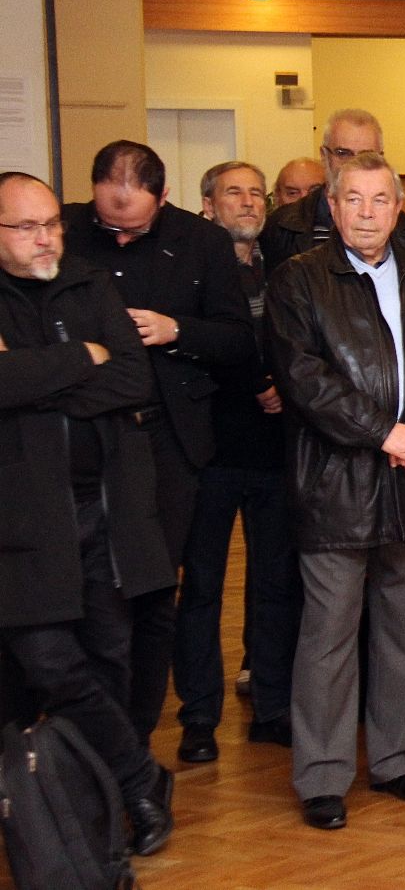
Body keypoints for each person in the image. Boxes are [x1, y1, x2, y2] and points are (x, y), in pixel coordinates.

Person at [265, 151, 405, 830]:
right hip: (336, 485)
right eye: (353, 199)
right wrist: (383, 432)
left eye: (379, 200)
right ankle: (323, 776)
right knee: (327, 638)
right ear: (332, 207)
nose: (366, 213)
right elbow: (303, 379)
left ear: (398, 209)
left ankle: (398, 761)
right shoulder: (298, 280)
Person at [0, 171, 176, 856]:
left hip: (105, 510)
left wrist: (34, 378)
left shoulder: (89, 284)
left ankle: (94, 808)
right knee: (50, 664)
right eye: (27, 227)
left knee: (110, 660)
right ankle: (139, 779)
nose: (46, 238)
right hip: (22, 522)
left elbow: (133, 377)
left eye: (52, 223)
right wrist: (81, 356)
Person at [61, 140, 254, 748]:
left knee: (158, 590)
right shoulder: (62, 230)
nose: (120, 235)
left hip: (170, 438)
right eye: (109, 223)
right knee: (88, 594)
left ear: (164, 197)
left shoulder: (202, 243)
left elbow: (237, 340)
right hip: (83, 440)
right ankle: (85, 735)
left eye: (135, 226)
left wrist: (177, 331)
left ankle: (148, 733)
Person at [173, 161, 301, 764]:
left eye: (256, 193)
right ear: (207, 205)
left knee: (276, 585)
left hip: (277, 450)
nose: (248, 202)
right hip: (210, 450)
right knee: (201, 587)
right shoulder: (190, 273)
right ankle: (199, 716)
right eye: (233, 193)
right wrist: (254, 383)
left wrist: (285, 386)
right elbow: (196, 348)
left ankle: (272, 708)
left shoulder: (285, 270)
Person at [260, 108, 405, 270]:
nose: (354, 163)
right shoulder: (280, 227)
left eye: (366, 155)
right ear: (324, 156)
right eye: (343, 153)